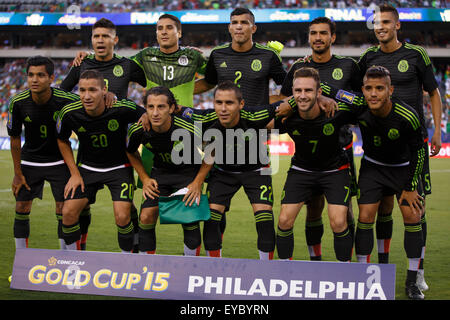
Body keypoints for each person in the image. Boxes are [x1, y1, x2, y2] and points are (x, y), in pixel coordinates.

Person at [358, 4, 442, 289]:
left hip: (412, 144)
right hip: (380, 147)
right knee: (380, 209)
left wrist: (437, 131)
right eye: (376, 23)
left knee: (416, 208)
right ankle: (380, 271)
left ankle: (418, 273)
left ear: (397, 26)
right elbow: (348, 85)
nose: (380, 27)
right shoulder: (368, 57)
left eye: (385, 22)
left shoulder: (416, 54)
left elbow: (433, 92)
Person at [194, 7, 287, 242]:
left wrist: (267, 110)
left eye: (244, 22)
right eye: (234, 22)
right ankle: (216, 264)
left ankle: (267, 269)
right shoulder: (217, 55)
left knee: (264, 217)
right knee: (214, 214)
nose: (238, 26)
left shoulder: (268, 56)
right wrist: (173, 94)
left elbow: (287, 91)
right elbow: (207, 84)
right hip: (221, 141)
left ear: (253, 28)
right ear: (229, 27)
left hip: (255, 142)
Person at [333, 66, 426, 300]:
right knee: (365, 217)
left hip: (403, 170)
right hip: (373, 167)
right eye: (369, 88)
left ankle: (412, 281)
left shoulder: (408, 115)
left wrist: (411, 185)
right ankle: (363, 277)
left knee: (412, 217)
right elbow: (330, 90)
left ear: (390, 90)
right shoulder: (358, 105)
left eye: (379, 88)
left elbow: (419, 150)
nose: (373, 94)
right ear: (362, 90)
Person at [278, 17, 362, 261]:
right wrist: (312, 99)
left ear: (332, 37)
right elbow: (282, 104)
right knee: (312, 210)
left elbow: (361, 103)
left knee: (344, 214)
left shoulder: (348, 66)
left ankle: (349, 264)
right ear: (308, 37)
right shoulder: (297, 69)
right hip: (307, 151)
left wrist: (329, 94)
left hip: (341, 148)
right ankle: (317, 264)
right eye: (313, 33)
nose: (318, 37)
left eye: (323, 33)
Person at [61, 18, 147, 251]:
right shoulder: (82, 64)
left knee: (125, 212)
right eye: (96, 36)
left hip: (119, 152)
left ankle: (133, 250)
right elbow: (61, 94)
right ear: (92, 40)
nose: (100, 40)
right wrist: (89, 99)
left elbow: (153, 84)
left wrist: (120, 100)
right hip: (88, 154)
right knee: (78, 209)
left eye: (105, 36)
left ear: (114, 40)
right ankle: (77, 254)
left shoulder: (127, 65)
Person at [192, 80, 291, 260]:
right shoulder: (207, 120)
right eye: (218, 103)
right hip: (223, 172)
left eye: (229, 103)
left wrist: (321, 98)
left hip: (256, 170)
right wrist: (198, 181)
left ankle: (266, 268)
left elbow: (291, 102)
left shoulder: (255, 115)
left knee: (264, 219)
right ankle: (213, 267)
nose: (223, 108)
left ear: (241, 104)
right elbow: (175, 110)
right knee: (211, 218)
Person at [274, 67, 355, 263]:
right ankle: (286, 271)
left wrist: (330, 96)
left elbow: (361, 102)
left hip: (335, 170)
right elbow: (257, 118)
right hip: (302, 170)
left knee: (338, 221)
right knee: (284, 220)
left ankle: (346, 275)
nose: (302, 96)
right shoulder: (287, 115)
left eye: (308, 91)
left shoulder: (336, 111)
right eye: (298, 91)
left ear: (319, 92)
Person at [125, 86, 212, 256]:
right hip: (160, 174)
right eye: (151, 107)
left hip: (188, 174)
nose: (155, 113)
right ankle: (147, 267)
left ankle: (191, 264)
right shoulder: (138, 130)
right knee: (146, 217)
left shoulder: (188, 128)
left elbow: (212, 151)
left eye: (161, 107)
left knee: (189, 220)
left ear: (172, 108)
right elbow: (130, 151)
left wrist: (197, 183)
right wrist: (145, 178)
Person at [7, 56, 79, 250]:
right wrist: (17, 173)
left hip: (59, 161)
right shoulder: (18, 102)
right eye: (30, 75)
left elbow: (90, 105)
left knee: (64, 211)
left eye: (40, 75)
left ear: (51, 78)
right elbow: (14, 139)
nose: (34, 80)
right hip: (30, 161)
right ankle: (21, 261)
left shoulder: (67, 100)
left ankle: (68, 262)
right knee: (21, 208)